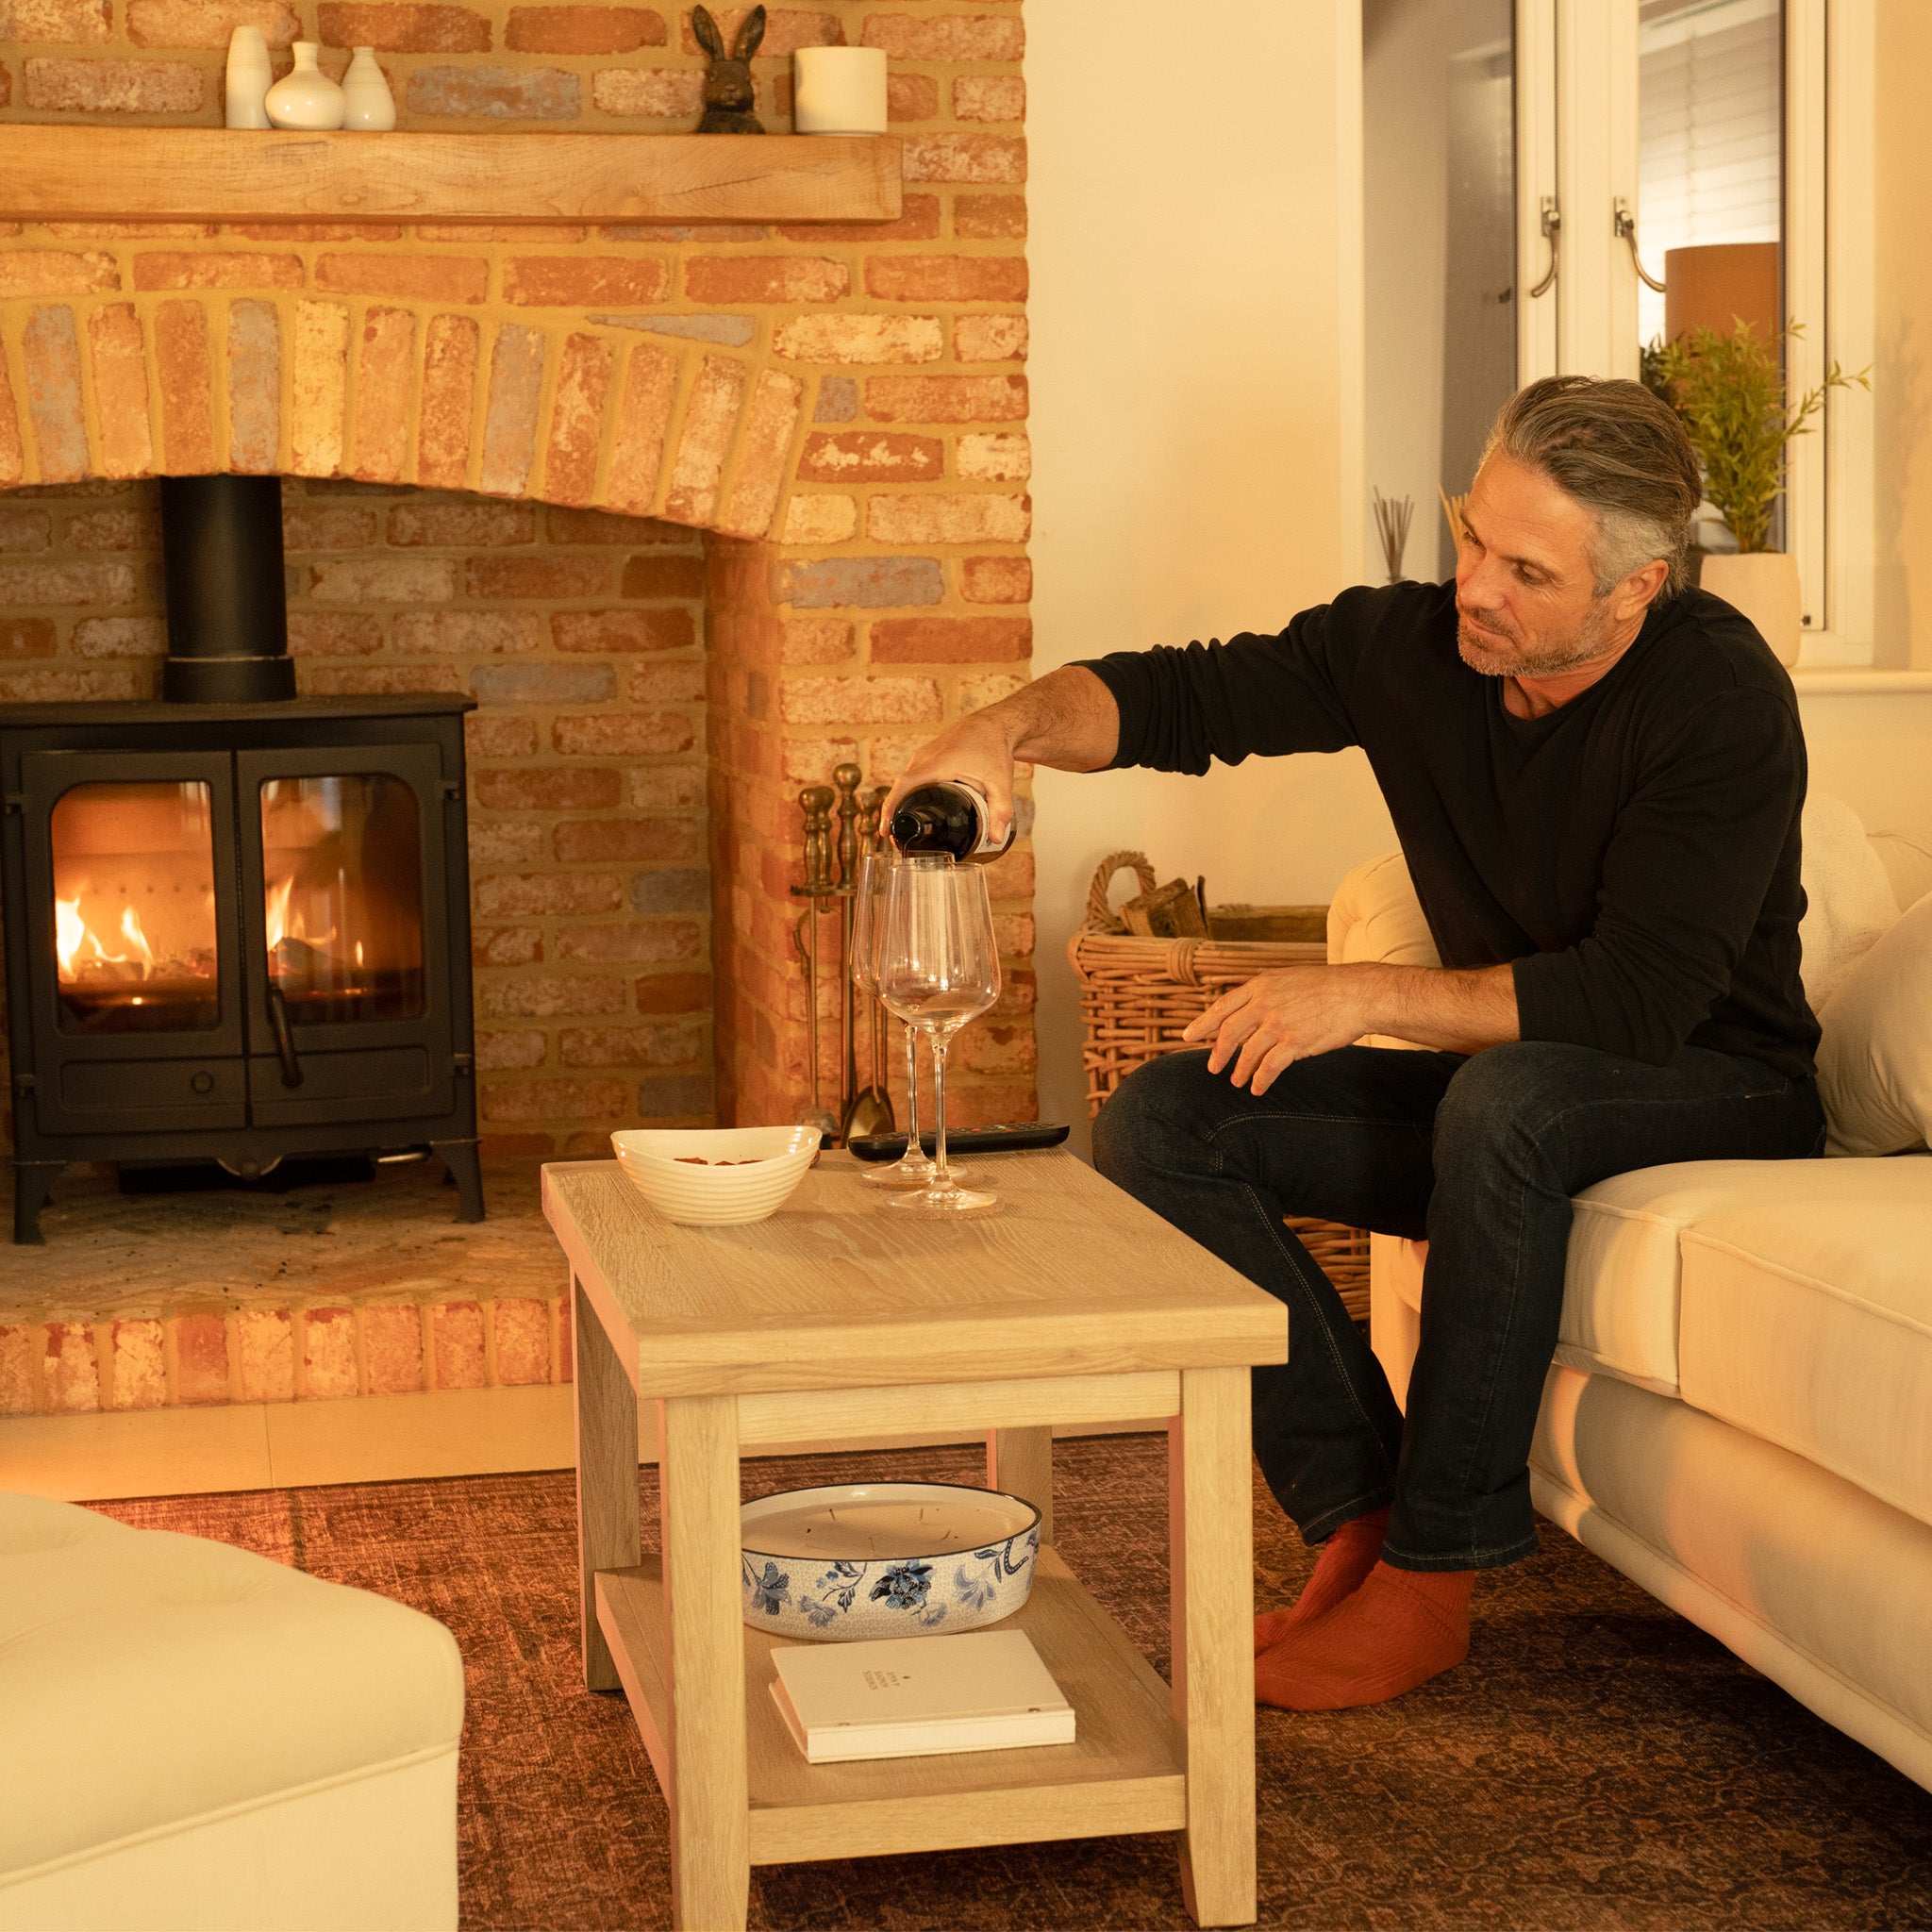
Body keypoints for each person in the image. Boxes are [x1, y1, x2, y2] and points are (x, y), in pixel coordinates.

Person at [883, 375, 1826, 1712]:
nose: (1476, 588)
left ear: (1635, 589)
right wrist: (1000, 731)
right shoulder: (1418, 647)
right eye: (1471, 538)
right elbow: (1184, 702)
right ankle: (1366, 1521)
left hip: (1721, 1080)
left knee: (1505, 1100)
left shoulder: (1718, 696)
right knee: (1166, 1117)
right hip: (1522, 1086)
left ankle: (1436, 1583)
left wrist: (1364, 994)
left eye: (1524, 570)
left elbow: (1633, 1005)